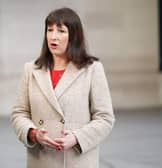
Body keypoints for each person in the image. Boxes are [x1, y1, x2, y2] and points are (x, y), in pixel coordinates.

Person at [11, 7, 115, 168]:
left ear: (73, 36)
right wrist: (33, 133)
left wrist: (76, 138)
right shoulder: (31, 69)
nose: (53, 36)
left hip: (77, 160)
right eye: (49, 30)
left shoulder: (92, 69)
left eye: (61, 31)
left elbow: (105, 118)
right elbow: (19, 113)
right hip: (41, 159)